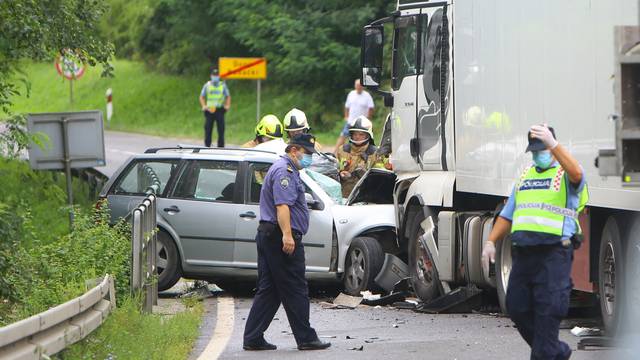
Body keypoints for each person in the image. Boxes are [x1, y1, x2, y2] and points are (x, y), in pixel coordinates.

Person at [482, 124, 588, 360]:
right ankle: (555, 352)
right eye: (536, 150)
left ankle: (547, 352)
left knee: (548, 311)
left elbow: (578, 175)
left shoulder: (565, 173)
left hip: (553, 255)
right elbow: (508, 214)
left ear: (551, 147)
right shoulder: (525, 176)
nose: (539, 154)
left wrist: (554, 145)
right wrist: (490, 241)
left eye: (544, 148)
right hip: (524, 255)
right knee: (517, 307)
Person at [243, 133, 331, 351]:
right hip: (279, 238)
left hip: (269, 235)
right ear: (294, 151)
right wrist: (288, 235)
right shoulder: (285, 171)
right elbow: (282, 207)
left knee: (270, 289)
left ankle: (253, 337)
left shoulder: (284, 169)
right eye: (307, 153)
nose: (309, 157)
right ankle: (306, 338)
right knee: (296, 288)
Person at [336, 115, 383, 197]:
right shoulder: (342, 150)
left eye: (361, 134)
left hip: (365, 196)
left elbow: (380, 178)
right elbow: (334, 170)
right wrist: (340, 173)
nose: (357, 137)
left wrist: (365, 174)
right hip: (344, 195)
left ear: (368, 135)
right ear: (351, 134)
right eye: (355, 134)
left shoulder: (375, 153)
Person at [334, 79, 374, 153]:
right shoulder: (351, 94)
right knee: (343, 136)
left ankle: (366, 153)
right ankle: (335, 153)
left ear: (362, 86)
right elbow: (347, 107)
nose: (358, 87)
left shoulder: (367, 95)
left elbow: (371, 107)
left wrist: (368, 118)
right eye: (357, 85)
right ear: (355, 86)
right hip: (351, 121)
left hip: (362, 123)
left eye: (360, 85)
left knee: (362, 138)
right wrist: (346, 116)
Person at [199, 68, 231, 147]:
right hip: (209, 110)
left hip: (219, 109)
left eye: (216, 75)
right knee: (208, 129)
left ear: (219, 76)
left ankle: (220, 146)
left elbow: (228, 96)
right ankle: (207, 146)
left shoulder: (222, 85)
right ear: (211, 76)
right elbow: (201, 97)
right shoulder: (207, 85)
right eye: (214, 75)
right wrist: (203, 106)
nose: (215, 77)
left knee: (221, 129)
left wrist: (227, 106)